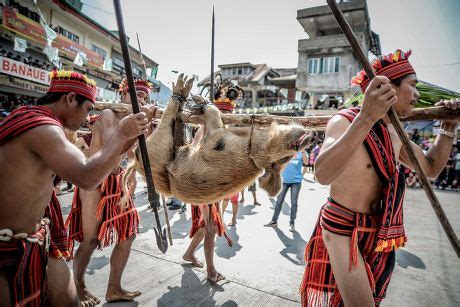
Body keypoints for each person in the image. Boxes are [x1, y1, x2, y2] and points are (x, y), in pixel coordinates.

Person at [300, 50, 458, 306]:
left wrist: (447, 129)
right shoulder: (345, 120)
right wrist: (366, 117)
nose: (417, 95)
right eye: (413, 85)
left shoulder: (395, 133)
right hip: (342, 230)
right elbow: (322, 174)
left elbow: (430, 168)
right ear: (387, 89)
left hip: (378, 233)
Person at [0, 70, 149, 306]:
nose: (88, 117)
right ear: (70, 99)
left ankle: (107, 287)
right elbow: (88, 176)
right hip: (6, 246)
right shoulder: (43, 128)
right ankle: (82, 284)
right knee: (89, 241)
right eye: (88, 108)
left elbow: (114, 155)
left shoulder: (36, 120)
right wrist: (122, 133)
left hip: (37, 238)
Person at [66, 78, 154, 305]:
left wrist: (146, 132)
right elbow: (113, 150)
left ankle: (114, 288)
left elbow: (129, 155)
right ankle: (79, 288)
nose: (140, 99)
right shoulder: (107, 115)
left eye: (144, 97)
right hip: (95, 182)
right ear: (123, 94)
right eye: (137, 95)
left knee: (128, 234)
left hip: (117, 182)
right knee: (91, 240)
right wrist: (137, 131)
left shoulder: (132, 119)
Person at [182, 80, 240, 282]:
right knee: (210, 229)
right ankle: (211, 270)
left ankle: (189, 254)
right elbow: (193, 153)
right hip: (201, 186)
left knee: (203, 227)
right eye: (223, 115)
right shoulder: (204, 130)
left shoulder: (229, 132)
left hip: (216, 186)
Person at [264, 151, 308, 232]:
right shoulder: (286, 151)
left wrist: (302, 175)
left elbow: (306, 163)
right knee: (279, 201)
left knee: (294, 202)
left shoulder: (302, 152)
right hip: (284, 181)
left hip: (296, 182)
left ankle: (292, 223)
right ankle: (274, 221)